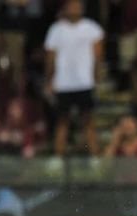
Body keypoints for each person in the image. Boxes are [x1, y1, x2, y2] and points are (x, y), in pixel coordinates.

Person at [44, 0, 104, 156]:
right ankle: (58, 157)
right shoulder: (56, 30)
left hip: (84, 82)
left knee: (88, 121)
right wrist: (50, 79)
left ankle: (94, 157)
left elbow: (98, 56)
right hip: (63, 83)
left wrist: (95, 77)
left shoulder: (92, 28)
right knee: (62, 122)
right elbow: (50, 57)